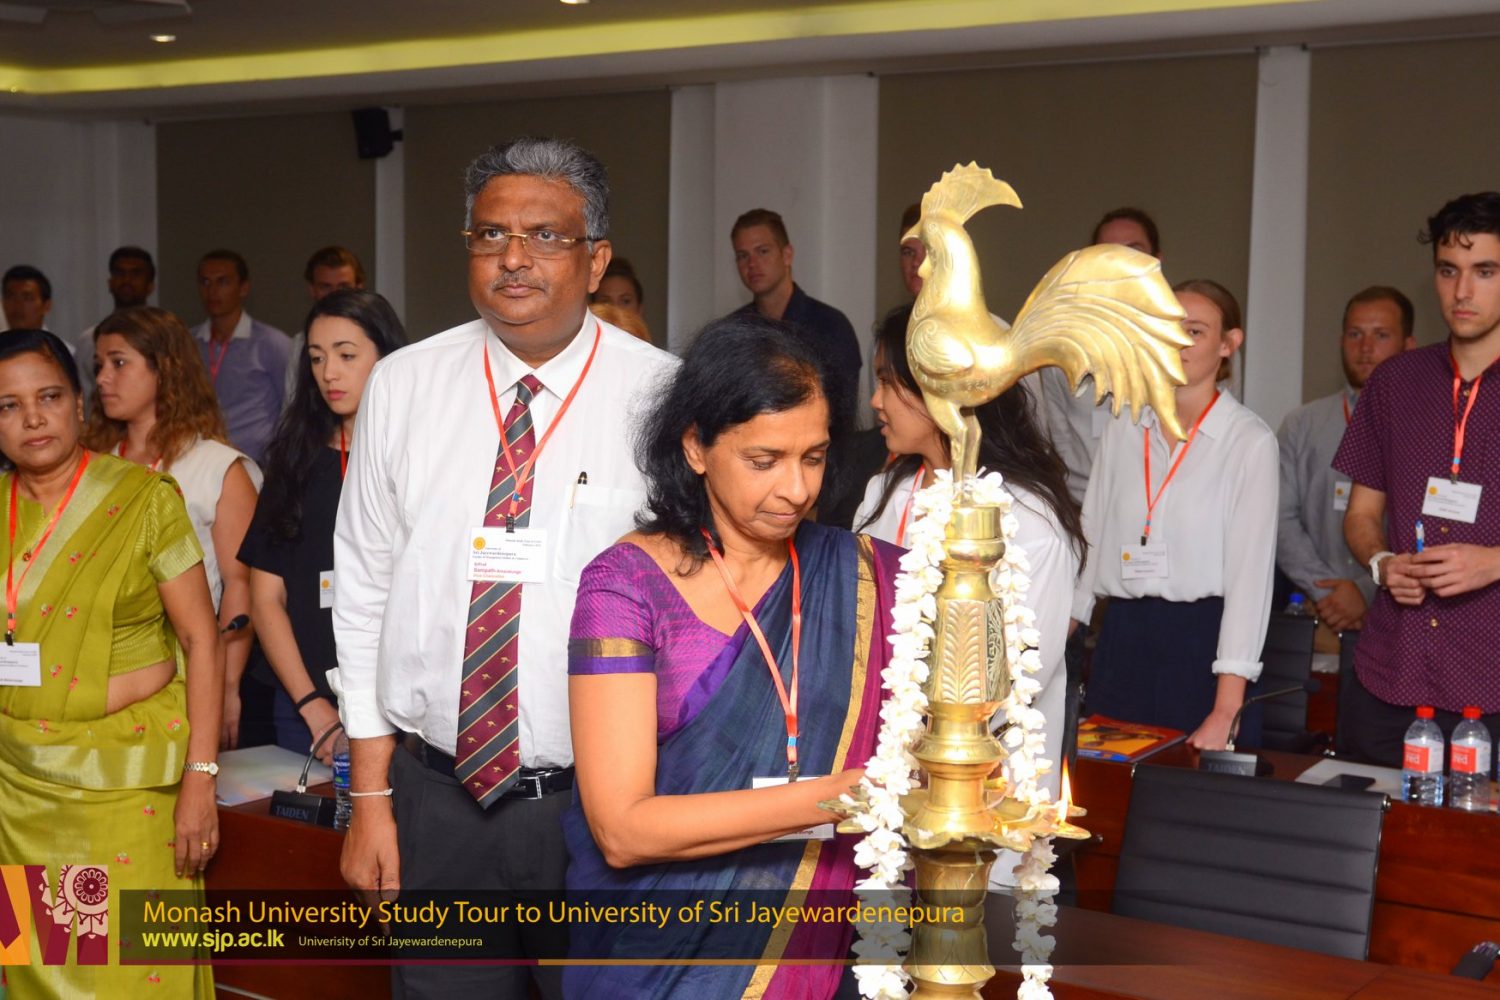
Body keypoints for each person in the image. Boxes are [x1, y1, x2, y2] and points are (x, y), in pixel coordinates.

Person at [333, 136, 676, 999]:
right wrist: (369, 799)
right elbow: (364, 588)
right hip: (436, 800)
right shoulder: (402, 386)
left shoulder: (664, 398)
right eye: (491, 235)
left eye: (545, 236)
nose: (513, 258)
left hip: (603, 809)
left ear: (597, 259)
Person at [565, 315, 892, 998]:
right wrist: (843, 794)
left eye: (813, 457)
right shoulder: (625, 587)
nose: (797, 489)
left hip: (820, 941)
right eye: (764, 461)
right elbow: (622, 829)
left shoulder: (865, 578)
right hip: (661, 954)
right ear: (695, 447)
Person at [0, 330, 220, 997]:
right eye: (8, 406)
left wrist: (200, 780)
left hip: (127, 783)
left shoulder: (143, 500)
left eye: (48, 397)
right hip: (18, 793)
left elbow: (201, 639)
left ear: (78, 402)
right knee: (36, 973)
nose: (32, 418)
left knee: (129, 978)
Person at [854, 303, 1083, 882]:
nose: (875, 401)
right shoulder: (884, 494)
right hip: (885, 778)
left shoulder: (1027, 518)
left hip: (987, 790)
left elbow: (1020, 680)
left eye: (888, 382)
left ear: (943, 390)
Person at [1072, 279, 1277, 749]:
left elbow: (1250, 583)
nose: (1176, 343)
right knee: (1106, 788)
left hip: (1203, 649)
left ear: (1228, 344)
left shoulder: (1249, 442)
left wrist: (1227, 708)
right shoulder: (1124, 424)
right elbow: (1090, 537)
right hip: (1121, 639)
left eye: (1195, 331)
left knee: (1187, 789)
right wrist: (1046, 655)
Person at [1335, 192, 1500, 766]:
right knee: (1368, 821)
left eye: (1485, 271)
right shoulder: (1394, 382)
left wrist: (1494, 562)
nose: (1462, 292)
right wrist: (1381, 563)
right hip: (1391, 673)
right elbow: (1360, 516)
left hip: (1492, 683)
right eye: (1449, 271)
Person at [85, 306, 262, 749]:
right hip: (99, 668)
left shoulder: (218, 467)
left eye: (119, 363)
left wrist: (227, 685)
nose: (103, 378)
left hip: (188, 669)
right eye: (98, 365)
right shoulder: (92, 465)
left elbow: (240, 586)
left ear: (164, 369)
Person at [241, 289, 406, 762]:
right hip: (303, 705)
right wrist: (313, 706)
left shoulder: (419, 459)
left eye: (346, 355)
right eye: (316, 358)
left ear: (388, 359)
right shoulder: (295, 460)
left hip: (401, 704)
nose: (329, 372)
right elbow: (265, 597)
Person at [1277, 286, 1414, 633]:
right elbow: (1279, 520)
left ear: (1408, 345)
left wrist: (1366, 590)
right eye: (1355, 334)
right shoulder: (1302, 424)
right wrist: (1326, 590)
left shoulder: (1430, 426)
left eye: (1381, 335)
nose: (1365, 348)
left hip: (1400, 615)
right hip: (1314, 612)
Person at [1040, 207, 1164, 505]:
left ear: (1156, 260)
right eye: (1107, 252)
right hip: (1082, 502)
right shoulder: (1063, 342)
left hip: (1163, 501)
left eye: (1134, 250)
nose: (1120, 261)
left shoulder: (1186, 337)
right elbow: (1057, 436)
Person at [724, 209, 862, 435]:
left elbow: (841, 414)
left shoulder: (830, 325)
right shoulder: (733, 330)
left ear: (787, 255)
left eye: (762, 251)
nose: (752, 263)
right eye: (742, 255)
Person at [191, 249, 291, 464]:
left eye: (223, 282)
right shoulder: (188, 342)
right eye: (205, 282)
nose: (212, 291)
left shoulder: (272, 343)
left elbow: (292, 406)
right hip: (200, 460)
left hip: (257, 464)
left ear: (243, 288)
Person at [74, 246, 158, 406]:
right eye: (120, 273)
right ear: (110, 283)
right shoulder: (88, 340)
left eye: (135, 274)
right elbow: (83, 396)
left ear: (150, 285)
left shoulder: (161, 336)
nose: (127, 280)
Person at [284, 245, 368, 401]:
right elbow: (292, 404)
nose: (335, 294)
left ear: (359, 287)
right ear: (312, 290)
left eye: (343, 286)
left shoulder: (374, 334)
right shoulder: (300, 344)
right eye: (325, 286)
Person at [2, 264, 52, 331]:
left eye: (27, 298)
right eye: (10, 297)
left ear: (46, 306)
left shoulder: (58, 338)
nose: (18, 305)